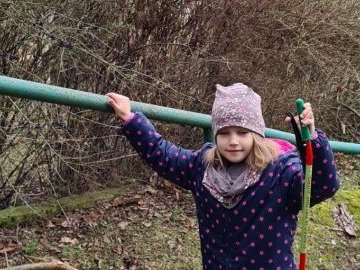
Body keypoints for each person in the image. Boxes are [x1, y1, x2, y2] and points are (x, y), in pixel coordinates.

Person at [106, 83, 339, 270]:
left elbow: (322, 186)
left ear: (257, 134)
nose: (234, 141)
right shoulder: (201, 167)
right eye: (225, 133)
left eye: (243, 132)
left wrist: (313, 141)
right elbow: (163, 155)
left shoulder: (281, 171)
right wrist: (131, 120)